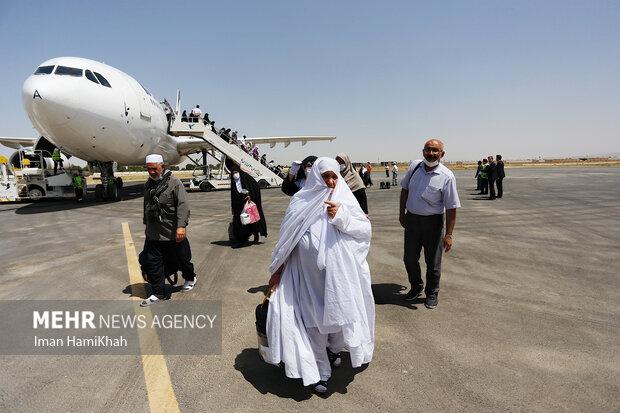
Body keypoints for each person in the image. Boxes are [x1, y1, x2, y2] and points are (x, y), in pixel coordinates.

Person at [263, 157, 374, 394]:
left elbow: (365, 231)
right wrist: (277, 273)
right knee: (312, 323)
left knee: (336, 319)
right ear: (315, 177)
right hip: (306, 278)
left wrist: (341, 216)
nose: (331, 182)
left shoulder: (344, 199)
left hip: (336, 279)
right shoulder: (300, 202)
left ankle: (333, 350)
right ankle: (320, 372)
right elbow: (287, 240)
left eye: (335, 176)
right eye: (326, 177)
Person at [399, 139, 460, 309]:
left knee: (433, 262)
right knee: (409, 258)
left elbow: (451, 207)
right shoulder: (414, 168)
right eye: (428, 150)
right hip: (412, 220)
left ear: (442, 154)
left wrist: (448, 234)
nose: (431, 153)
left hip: (433, 223)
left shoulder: (447, 176)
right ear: (423, 151)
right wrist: (401, 213)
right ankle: (416, 285)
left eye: (435, 150)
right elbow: (405, 190)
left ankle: (432, 292)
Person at [139, 154, 196, 306]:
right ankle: (158, 292)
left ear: (162, 167)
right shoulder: (148, 184)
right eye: (148, 169)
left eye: (154, 168)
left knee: (183, 259)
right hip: (154, 233)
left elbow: (182, 205)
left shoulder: (174, 183)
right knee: (152, 262)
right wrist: (146, 226)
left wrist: (181, 226)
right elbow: (147, 205)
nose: (151, 172)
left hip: (172, 231)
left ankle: (190, 277)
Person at [226, 159, 267, 247]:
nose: (235, 175)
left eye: (236, 172)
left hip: (247, 203)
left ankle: (255, 235)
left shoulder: (246, 177)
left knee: (252, 221)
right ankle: (241, 239)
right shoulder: (234, 181)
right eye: (233, 173)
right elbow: (233, 195)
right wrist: (233, 207)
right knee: (240, 222)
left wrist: (250, 196)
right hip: (239, 205)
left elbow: (255, 187)